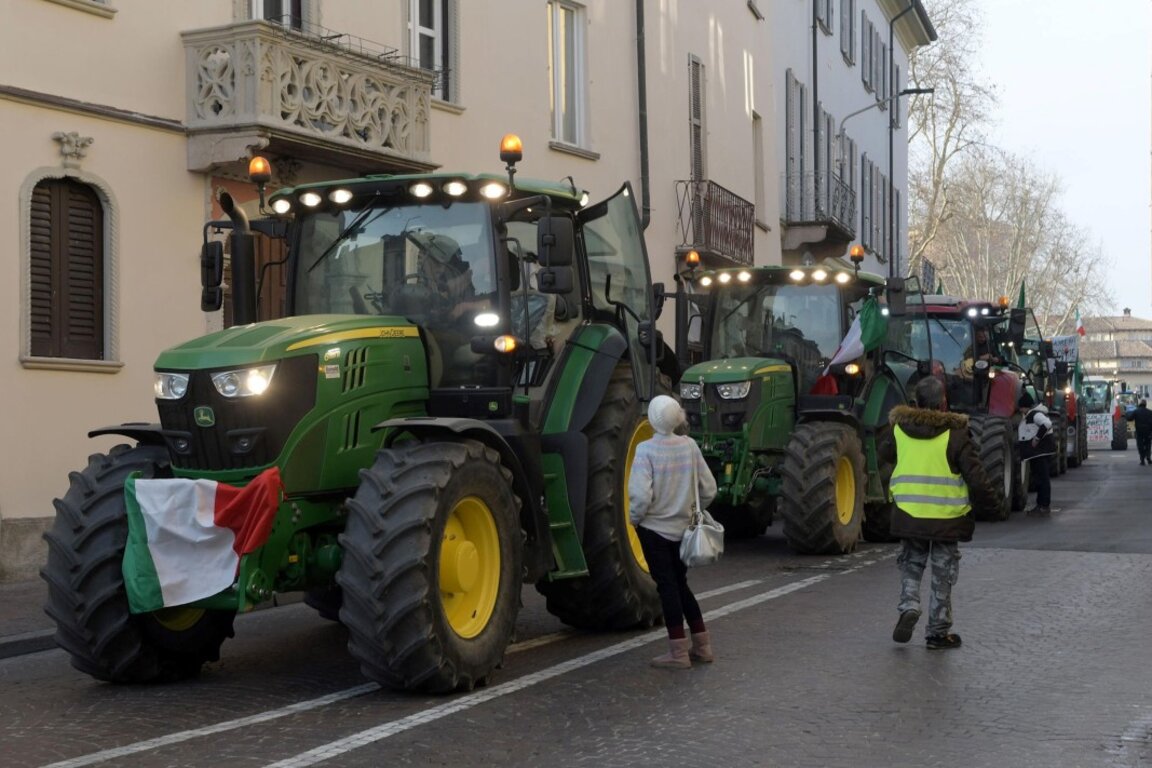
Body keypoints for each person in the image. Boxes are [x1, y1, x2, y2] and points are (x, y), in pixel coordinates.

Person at [880, 376, 1003, 650]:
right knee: (942, 573)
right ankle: (937, 632)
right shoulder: (956, 434)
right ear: (943, 402)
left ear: (915, 402)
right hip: (947, 518)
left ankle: (909, 605)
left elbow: (885, 454)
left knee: (912, 564)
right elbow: (976, 476)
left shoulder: (898, 430)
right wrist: (993, 508)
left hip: (909, 513)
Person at [628, 395, 718, 669]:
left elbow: (641, 497)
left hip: (654, 531)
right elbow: (709, 489)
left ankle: (678, 652)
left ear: (653, 419)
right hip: (683, 530)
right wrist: (690, 506)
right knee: (680, 585)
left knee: (667, 589)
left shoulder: (646, 451)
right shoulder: (690, 446)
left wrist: (635, 519)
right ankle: (702, 646)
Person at [1018, 391, 1056, 517]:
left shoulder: (1035, 415)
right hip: (1036, 454)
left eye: (1021, 407)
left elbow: (1047, 424)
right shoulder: (1030, 415)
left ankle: (1044, 505)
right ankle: (1041, 505)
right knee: (1039, 479)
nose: (1020, 410)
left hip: (1041, 452)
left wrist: (1036, 439)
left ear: (1025, 406)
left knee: (1043, 479)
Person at [1126, 399, 1152, 465]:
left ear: (1140, 404)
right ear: (1145, 405)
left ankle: (1142, 460)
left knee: (1140, 445)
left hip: (1139, 431)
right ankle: (1148, 458)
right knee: (1148, 445)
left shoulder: (1136, 411)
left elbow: (1129, 418)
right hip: (1148, 432)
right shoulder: (1150, 412)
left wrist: (1125, 414)